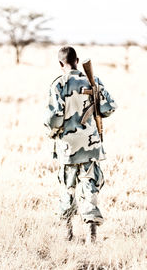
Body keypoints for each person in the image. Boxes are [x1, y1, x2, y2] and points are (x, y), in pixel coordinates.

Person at [44, 46, 117, 242]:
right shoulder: (93, 81)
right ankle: (91, 237)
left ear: (61, 64)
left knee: (67, 190)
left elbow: (53, 119)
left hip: (67, 149)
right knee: (90, 190)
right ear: (77, 61)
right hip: (91, 146)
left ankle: (67, 235)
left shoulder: (58, 84)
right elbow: (109, 108)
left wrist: (52, 134)